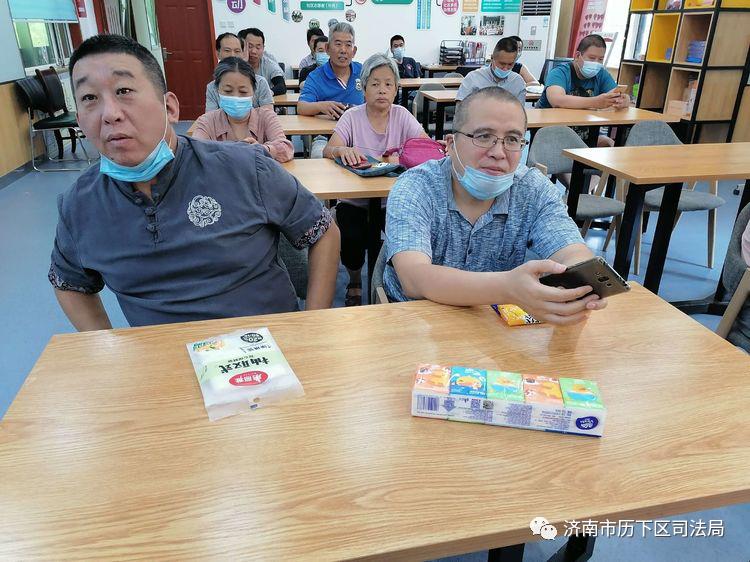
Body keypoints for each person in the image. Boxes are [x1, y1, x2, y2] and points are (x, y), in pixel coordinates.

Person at [49, 34, 340, 330]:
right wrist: (108, 345)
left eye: (124, 91)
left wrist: (312, 328)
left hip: (266, 346)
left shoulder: (244, 167)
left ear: (170, 108)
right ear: (79, 120)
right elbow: (68, 282)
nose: (110, 114)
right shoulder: (80, 205)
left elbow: (323, 231)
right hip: (163, 354)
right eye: (89, 98)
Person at [383, 87, 607, 325]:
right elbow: (414, 278)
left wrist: (579, 284)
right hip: (413, 321)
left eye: (512, 140)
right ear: (450, 144)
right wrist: (508, 288)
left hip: (491, 325)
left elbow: (572, 252)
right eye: (483, 136)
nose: (499, 153)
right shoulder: (416, 187)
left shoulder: (532, 189)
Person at [323, 54, 428, 306]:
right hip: (354, 199)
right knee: (352, 240)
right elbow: (328, 149)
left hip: (394, 199)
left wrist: (405, 154)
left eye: (388, 84)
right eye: (375, 83)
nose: (382, 90)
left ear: (396, 88)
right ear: (364, 87)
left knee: (405, 237)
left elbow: (424, 146)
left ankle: (391, 283)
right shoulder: (352, 116)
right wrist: (341, 150)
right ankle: (355, 281)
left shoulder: (402, 115)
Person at [193, 57, 293, 163]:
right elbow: (195, 153)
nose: (236, 97)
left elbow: (286, 149)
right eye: (228, 91)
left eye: (243, 92)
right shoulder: (207, 121)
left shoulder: (266, 116)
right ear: (218, 90)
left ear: (253, 91)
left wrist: (263, 150)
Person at [537, 34, 630, 147]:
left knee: (610, 144)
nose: (596, 63)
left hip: (585, 133)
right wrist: (596, 102)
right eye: (592, 58)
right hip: (552, 134)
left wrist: (623, 100)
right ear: (577, 56)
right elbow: (557, 100)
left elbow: (617, 95)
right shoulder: (559, 72)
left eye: (600, 59)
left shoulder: (601, 74)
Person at [297, 22, 363, 119]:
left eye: (348, 45)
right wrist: (320, 106)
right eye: (338, 44)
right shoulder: (316, 76)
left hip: (359, 126)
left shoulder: (363, 71)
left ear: (354, 51)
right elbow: (301, 107)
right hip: (327, 128)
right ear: (327, 48)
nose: (343, 50)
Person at [205, 32, 273, 112]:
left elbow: (268, 114)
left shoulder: (260, 83)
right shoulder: (212, 87)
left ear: (242, 53)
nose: (232, 55)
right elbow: (210, 115)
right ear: (218, 53)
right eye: (227, 51)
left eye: (237, 51)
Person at [456, 38, 526, 104]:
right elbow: (460, 109)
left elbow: (520, 111)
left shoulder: (518, 82)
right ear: (492, 58)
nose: (505, 68)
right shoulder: (473, 78)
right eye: (502, 64)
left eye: (510, 64)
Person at [243, 28, 287, 96]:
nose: (254, 51)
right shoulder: (237, 63)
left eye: (258, 47)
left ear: (263, 48)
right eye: (250, 46)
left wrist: (267, 93)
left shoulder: (269, 64)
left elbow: (281, 86)